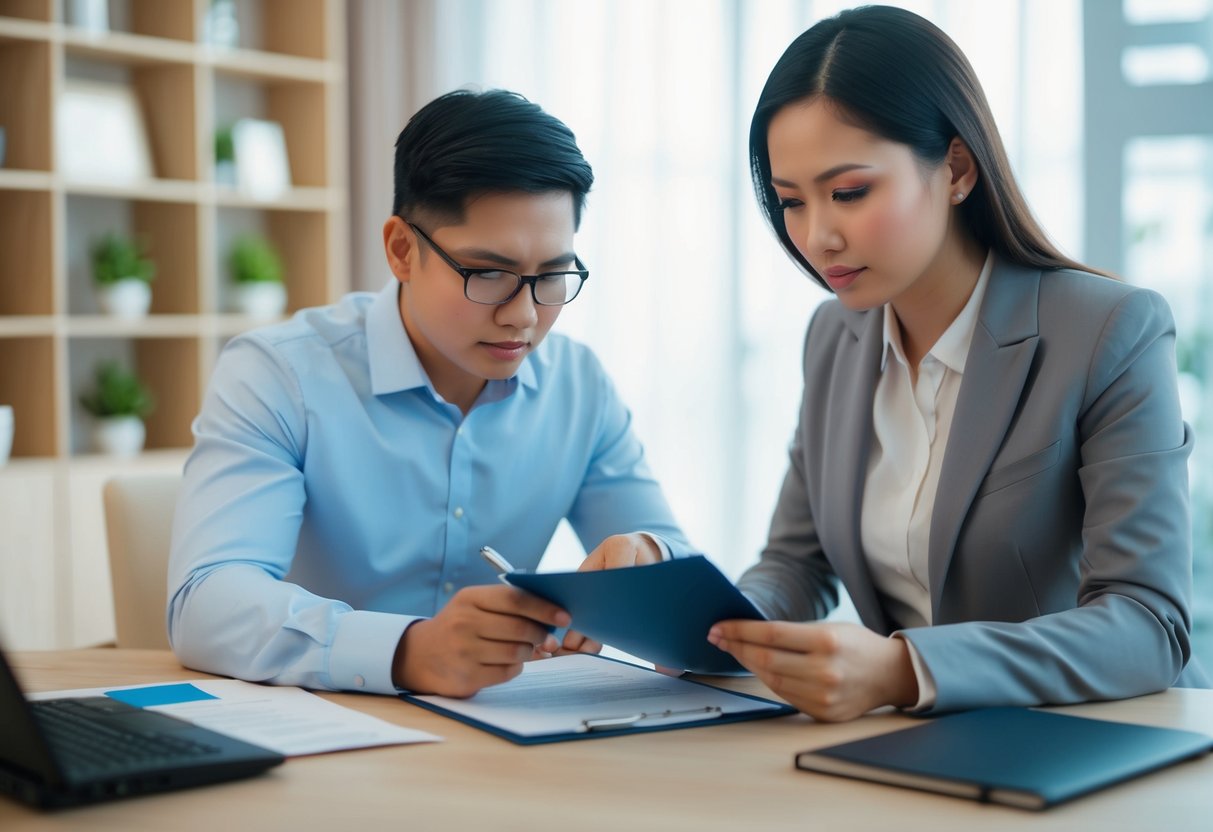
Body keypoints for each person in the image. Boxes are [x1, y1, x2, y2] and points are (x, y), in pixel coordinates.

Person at [706, 5, 1207, 722]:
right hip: (917, 752)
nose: (816, 236)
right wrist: (710, 626)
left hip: (1099, 745)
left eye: (848, 192)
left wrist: (906, 670)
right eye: (790, 202)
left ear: (956, 170)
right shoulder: (833, 338)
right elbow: (795, 564)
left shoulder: (1106, 330)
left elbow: (1146, 624)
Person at [167, 89, 692, 699]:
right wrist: (410, 650)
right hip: (323, 728)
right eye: (487, 273)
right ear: (401, 251)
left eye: (552, 276)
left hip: (509, 741)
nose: (523, 315)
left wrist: (652, 559)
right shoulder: (278, 374)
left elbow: (678, 566)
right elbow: (205, 602)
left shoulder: (579, 386)